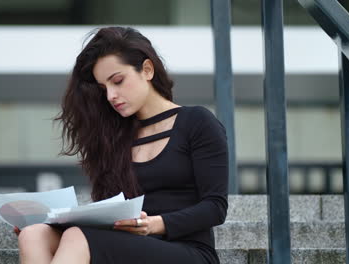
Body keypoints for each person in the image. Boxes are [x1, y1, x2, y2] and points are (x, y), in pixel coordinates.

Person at [14, 26, 228, 264]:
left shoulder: (197, 122)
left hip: (187, 250)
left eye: (118, 81)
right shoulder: (115, 136)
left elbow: (215, 207)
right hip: (126, 245)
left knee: (76, 238)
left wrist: (154, 225)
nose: (111, 96)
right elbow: (110, 212)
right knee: (33, 235)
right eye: (104, 88)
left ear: (147, 70)